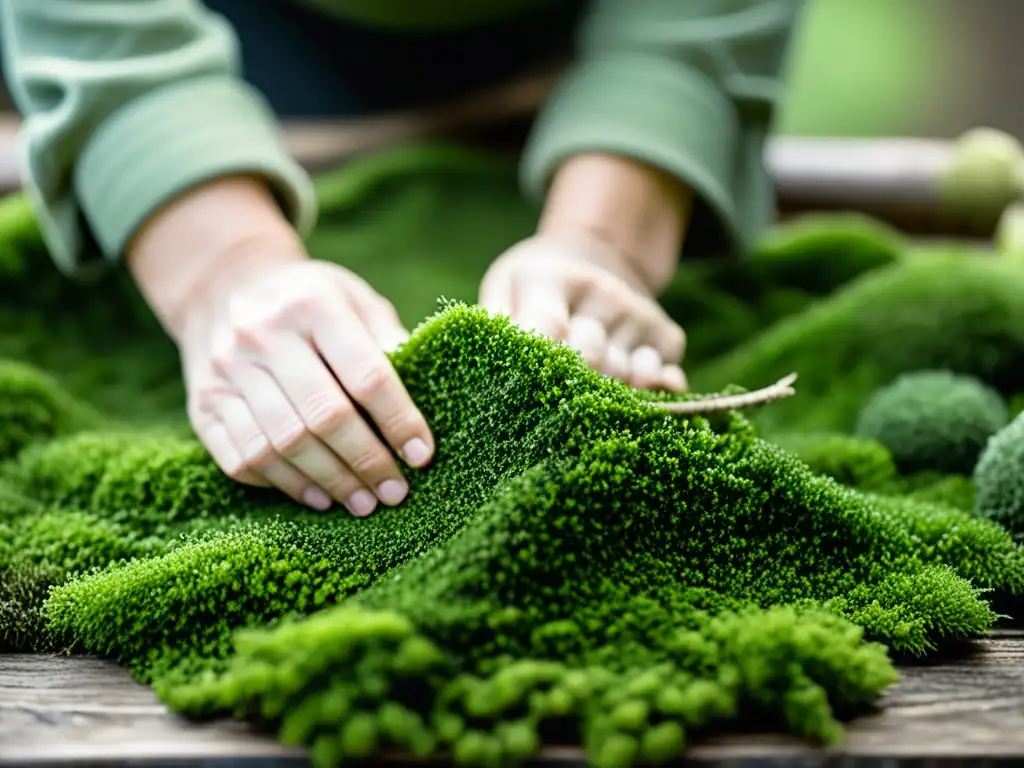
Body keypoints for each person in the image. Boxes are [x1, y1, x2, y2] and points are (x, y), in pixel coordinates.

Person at [0, 0, 804, 516]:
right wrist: (223, 266)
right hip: (219, 55)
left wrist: (604, 241)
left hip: (583, 69)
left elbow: (696, 29)